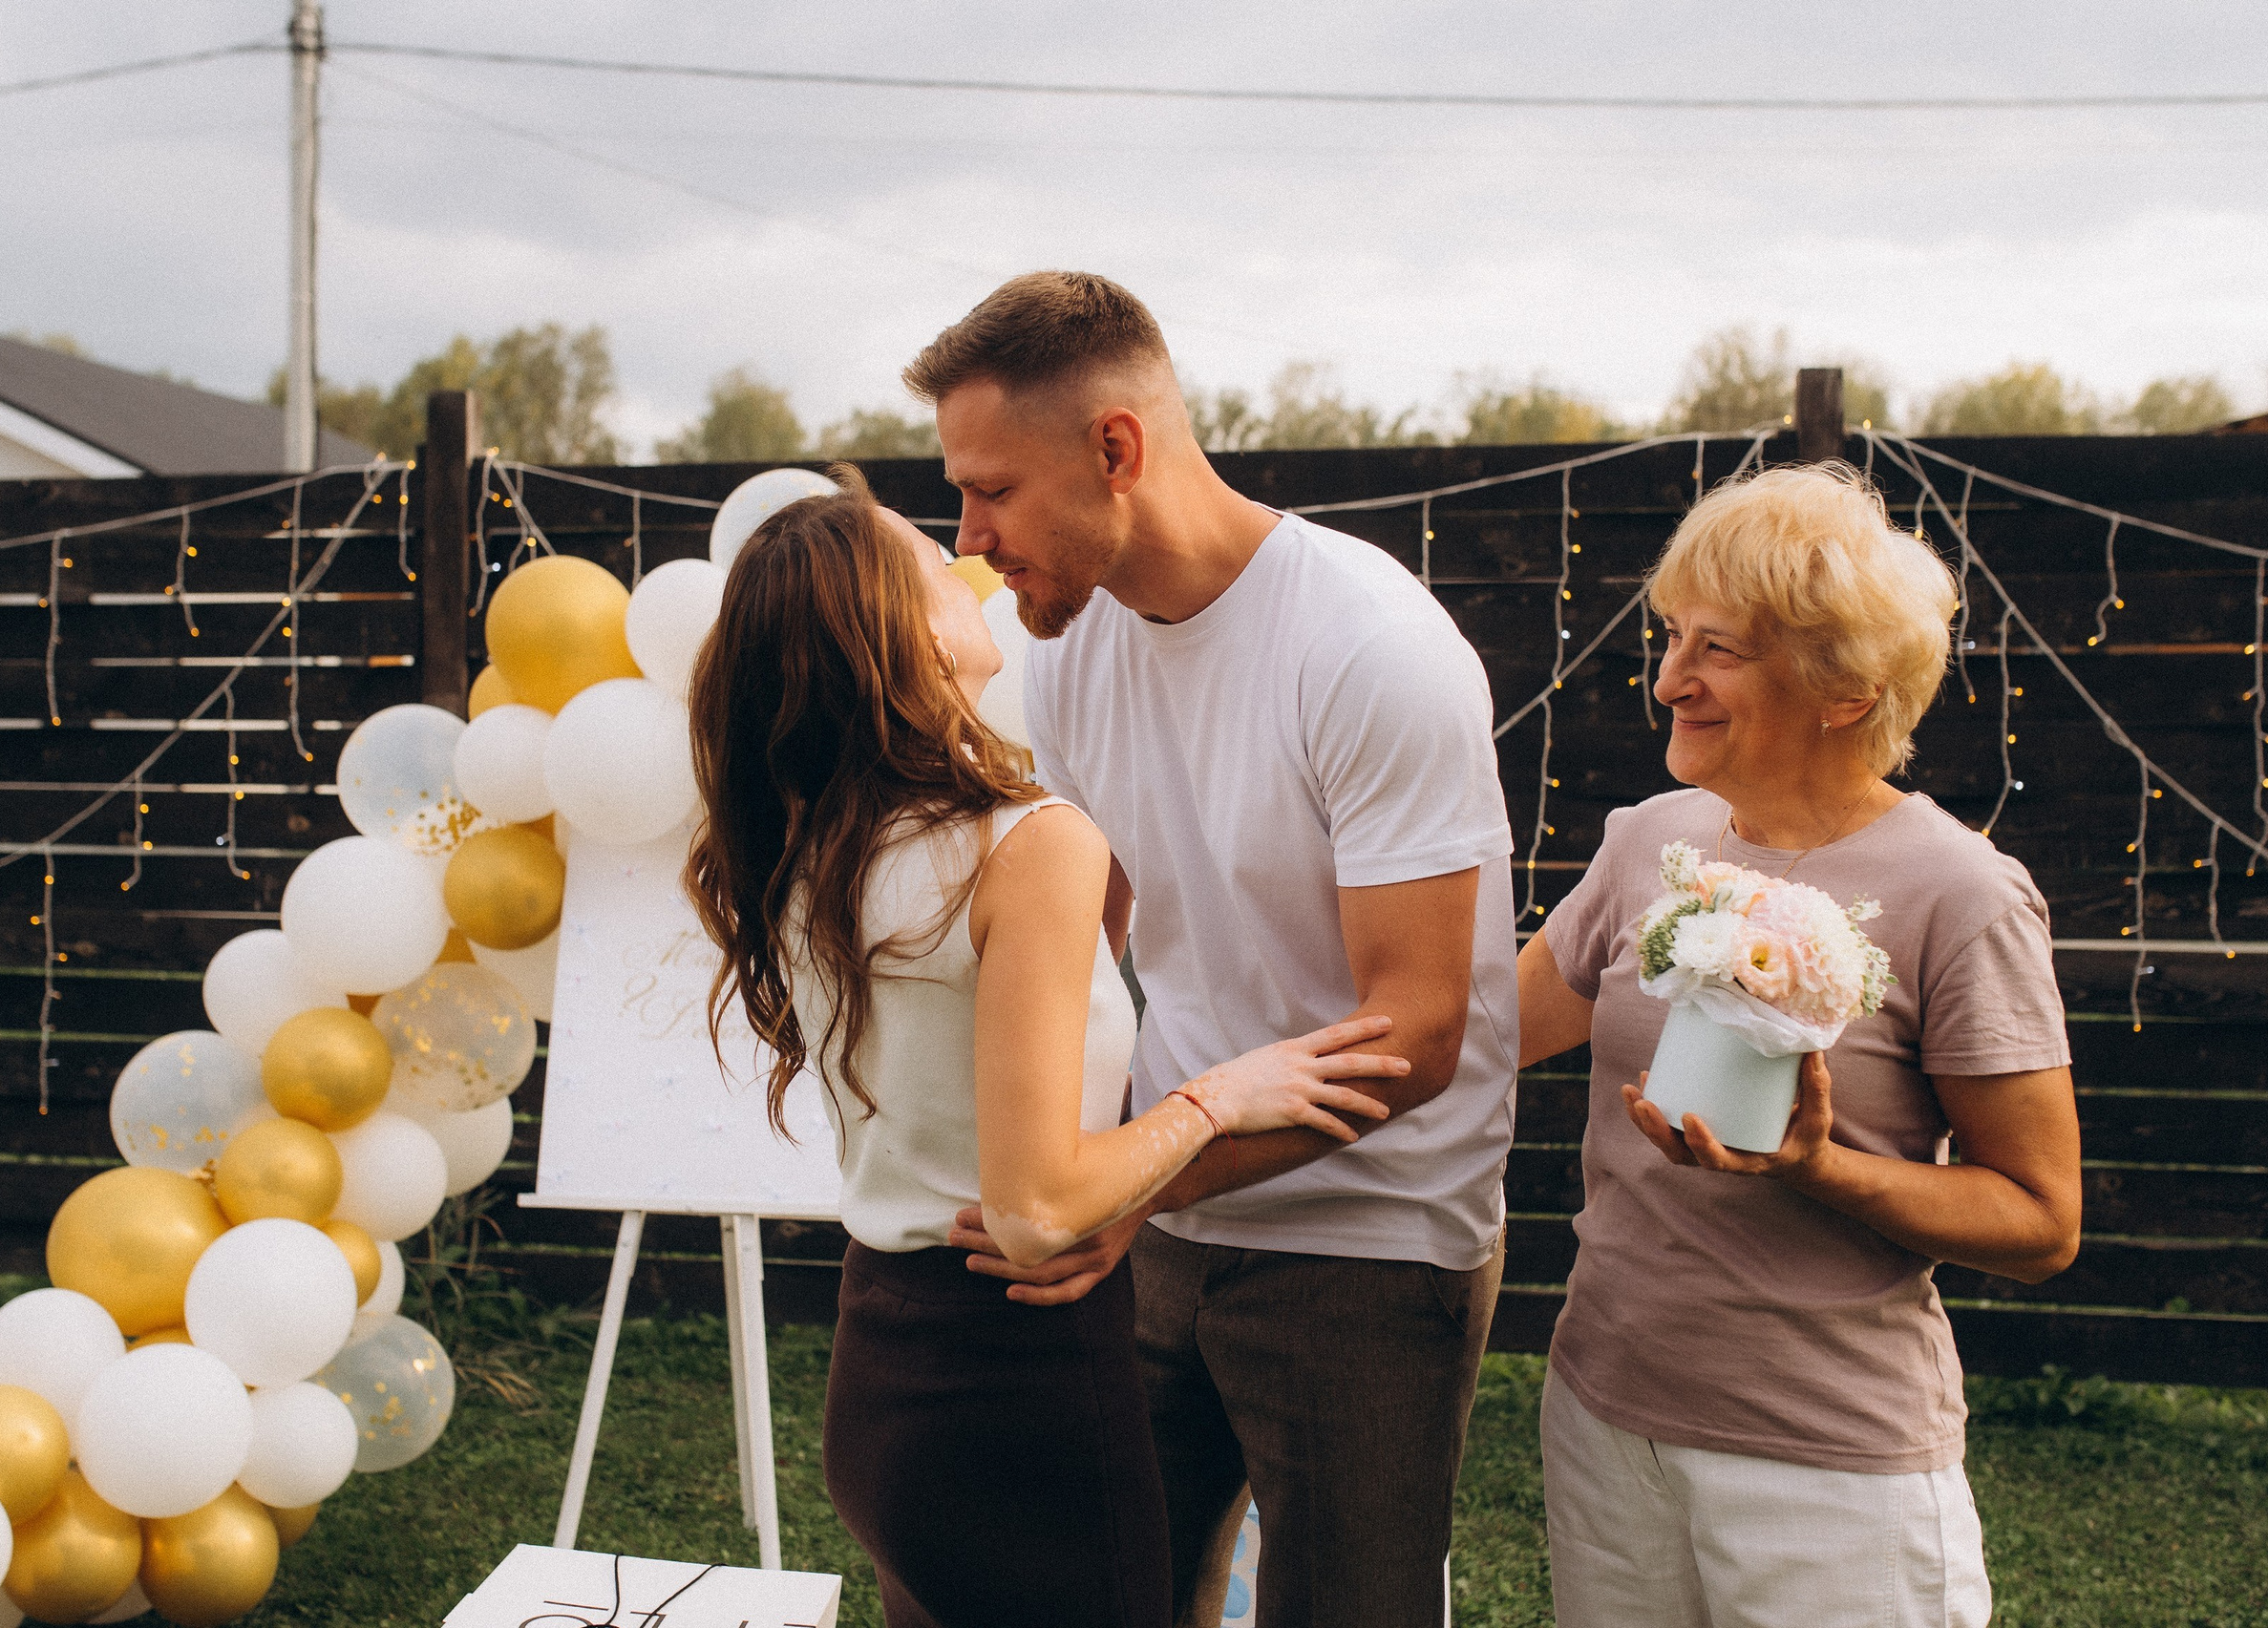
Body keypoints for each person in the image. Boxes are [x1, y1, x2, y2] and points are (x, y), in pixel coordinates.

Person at [683, 465, 1405, 1628]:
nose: (969, 565)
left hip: (880, 1363)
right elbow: (1031, 1210)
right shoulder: (1027, 844)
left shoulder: (816, 845)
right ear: (916, 632)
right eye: (937, 564)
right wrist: (1219, 1097)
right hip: (1015, 1382)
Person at [909, 272, 1519, 1627]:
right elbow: (1091, 933)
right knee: (1103, 1593)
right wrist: (1072, 1169)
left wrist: (1128, 1184)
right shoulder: (1060, 651)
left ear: (1116, 448)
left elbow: (1419, 1033)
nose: (970, 538)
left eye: (993, 490)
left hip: (1373, 1236)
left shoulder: (1369, 647)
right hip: (1162, 1210)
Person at [1516, 464, 2083, 1627]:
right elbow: (1478, 1033)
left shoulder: (1962, 893)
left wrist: (1820, 1167)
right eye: (1671, 637)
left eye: (1717, 649)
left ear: (1844, 689)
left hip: (1830, 1465)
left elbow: (2040, 1221)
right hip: (1604, 1419)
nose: (1668, 679)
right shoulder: (1644, 841)